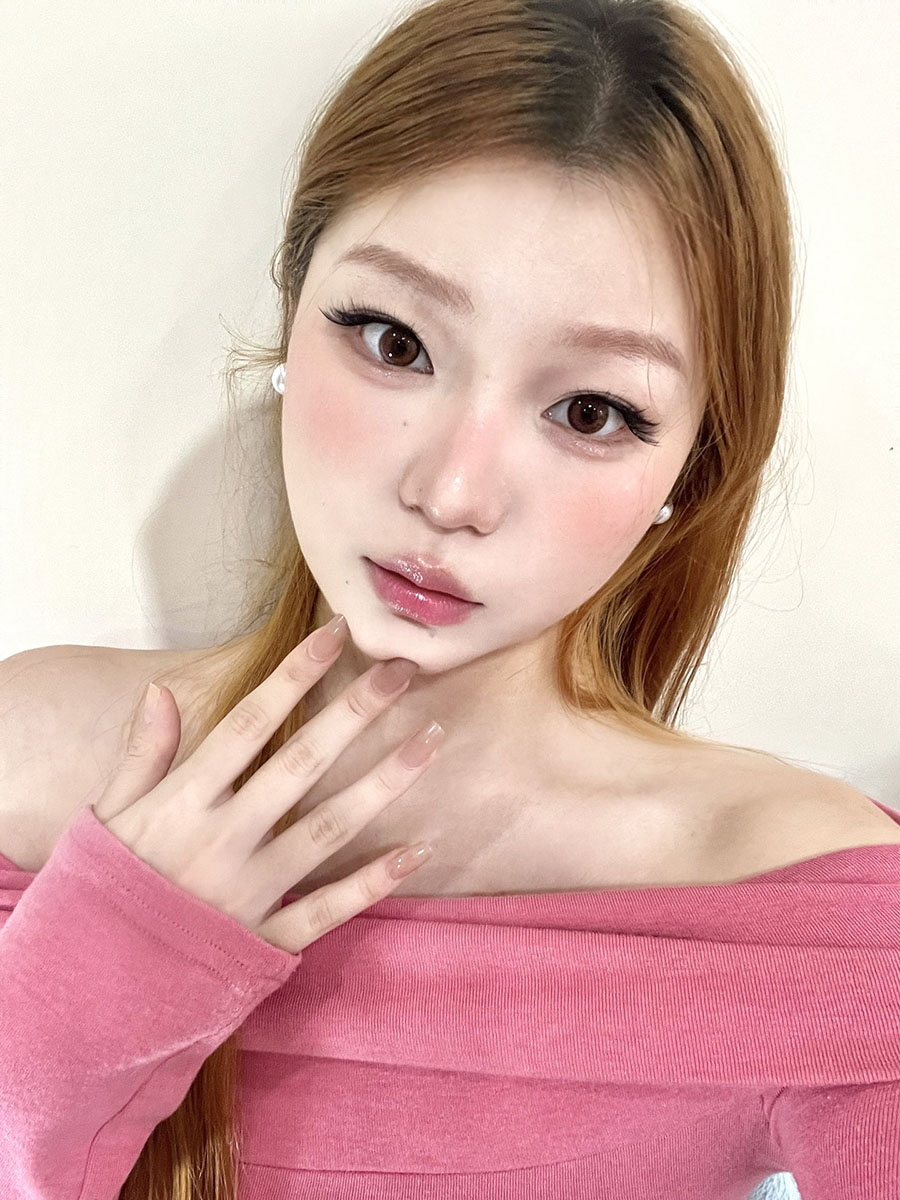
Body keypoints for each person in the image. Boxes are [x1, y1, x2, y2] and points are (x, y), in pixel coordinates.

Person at [1, 1, 897, 1198]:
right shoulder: (30, 760)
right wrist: (95, 993)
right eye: (393, 341)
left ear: (689, 469)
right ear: (291, 309)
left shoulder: (809, 914)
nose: (452, 491)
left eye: (590, 412)